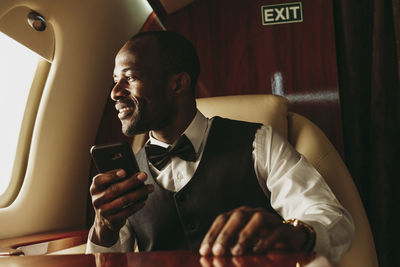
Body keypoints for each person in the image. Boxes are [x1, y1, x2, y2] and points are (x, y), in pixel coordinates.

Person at [86, 31, 354, 263]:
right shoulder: (127, 179)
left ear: (177, 84)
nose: (114, 92)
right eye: (115, 79)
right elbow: (106, 263)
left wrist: (296, 234)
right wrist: (104, 228)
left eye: (129, 77)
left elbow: (334, 221)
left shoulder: (260, 142)